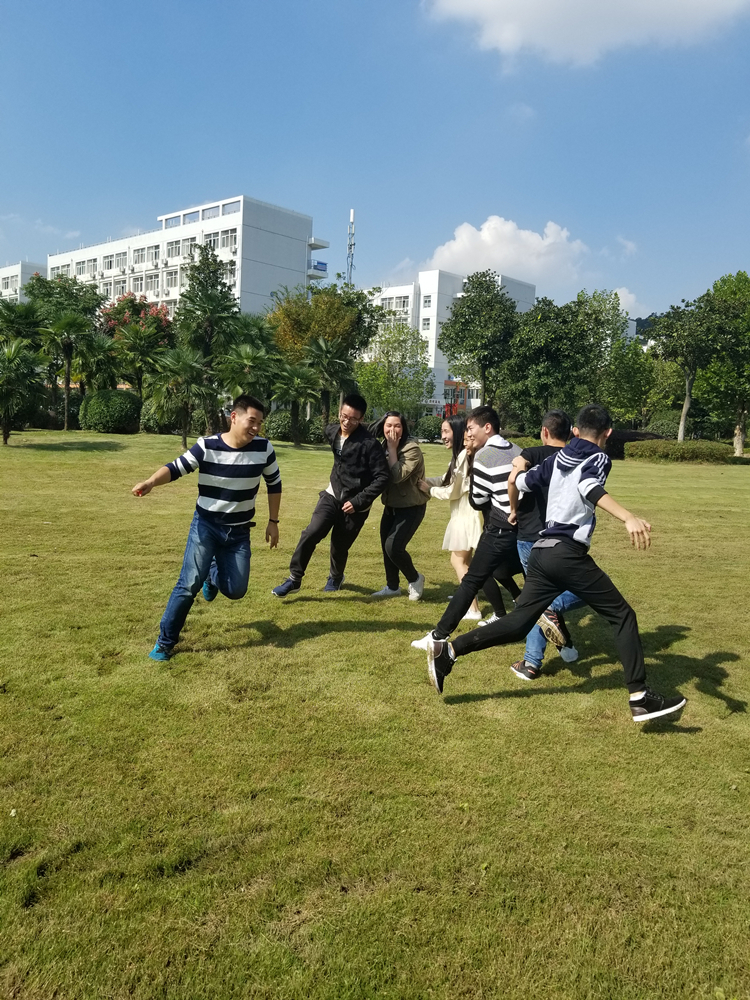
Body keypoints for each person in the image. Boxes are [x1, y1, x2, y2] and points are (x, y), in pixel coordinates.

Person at [425, 404, 687, 724]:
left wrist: (512, 508)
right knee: (622, 615)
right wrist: (628, 517)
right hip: (566, 553)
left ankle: (449, 651)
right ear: (608, 433)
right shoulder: (598, 457)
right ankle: (640, 698)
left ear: (575, 431)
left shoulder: (558, 458)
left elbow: (517, 479)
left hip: (541, 551)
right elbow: (588, 487)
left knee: (520, 623)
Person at [132, 394, 282, 661]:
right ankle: (165, 642)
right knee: (188, 584)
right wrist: (151, 482)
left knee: (236, 590)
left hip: (239, 532)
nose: (256, 428)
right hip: (206, 527)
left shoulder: (264, 448)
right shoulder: (207, 446)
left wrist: (273, 522)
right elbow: (176, 468)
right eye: (252, 421)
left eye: (260, 423)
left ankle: (212, 576)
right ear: (234, 417)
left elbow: (275, 483)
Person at [411, 405, 524, 650]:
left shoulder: (483, 455)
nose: (468, 434)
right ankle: (556, 636)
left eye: (471, 429)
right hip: (518, 525)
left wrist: (431, 490)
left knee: (472, 574)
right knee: (497, 572)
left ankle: (441, 635)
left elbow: (477, 498)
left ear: (487, 427)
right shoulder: (515, 450)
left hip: (496, 524)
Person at [272, 393, 389, 597]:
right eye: (344, 416)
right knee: (311, 533)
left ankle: (335, 577)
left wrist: (358, 501)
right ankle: (294, 579)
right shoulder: (332, 431)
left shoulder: (370, 444)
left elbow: (382, 477)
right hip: (332, 495)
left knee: (339, 546)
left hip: (356, 505)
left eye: (353, 419)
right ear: (339, 412)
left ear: (361, 419)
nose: (347, 422)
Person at [509, 409, 584, 679]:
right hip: (566, 536)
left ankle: (531, 662)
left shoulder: (531, 454)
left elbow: (512, 480)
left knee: (538, 598)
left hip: (531, 534)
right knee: (577, 587)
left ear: (544, 431)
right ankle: (565, 646)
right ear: (571, 433)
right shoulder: (577, 457)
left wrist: (513, 509)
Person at [370, 412, 428, 599]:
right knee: (386, 547)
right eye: (389, 425)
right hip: (391, 505)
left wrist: (393, 449)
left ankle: (415, 578)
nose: (392, 430)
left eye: (397, 426)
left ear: (403, 429)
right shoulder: (381, 446)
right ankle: (392, 586)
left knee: (393, 547)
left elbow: (396, 476)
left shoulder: (412, 450)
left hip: (411, 506)